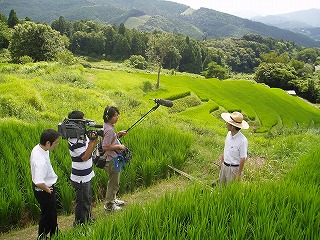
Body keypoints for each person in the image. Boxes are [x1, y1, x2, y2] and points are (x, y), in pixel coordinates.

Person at [67, 110, 99, 226]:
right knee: (82, 202)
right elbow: (85, 157)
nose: (83, 123)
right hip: (80, 177)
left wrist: (93, 141)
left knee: (87, 198)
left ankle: (88, 219)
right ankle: (80, 224)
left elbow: (89, 150)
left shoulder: (81, 135)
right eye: (82, 121)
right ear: (77, 122)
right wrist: (92, 143)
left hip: (87, 174)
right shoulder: (73, 140)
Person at [30, 129, 60, 239]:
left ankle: (54, 233)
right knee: (47, 215)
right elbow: (38, 182)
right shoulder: (40, 160)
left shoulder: (40, 148)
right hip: (43, 189)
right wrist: (47, 189)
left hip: (45, 187)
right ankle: (42, 236)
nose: (57, 145)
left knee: (51, 213)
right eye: (56, 142)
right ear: (48, 143)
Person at [101, 106, 127, 211]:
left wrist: (118, 135)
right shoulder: (109, 130)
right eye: (115, 115)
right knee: (113, 182)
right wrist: (119, 146)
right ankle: (109, 205)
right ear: (108, 117)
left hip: (111, 158)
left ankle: (113, 199)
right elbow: (105, 146)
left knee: (114, 181)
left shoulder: (107, 126)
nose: (117, 117)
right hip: (110, 160)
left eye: (117, 115)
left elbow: (110, 140)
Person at [218, 111, 249, 185]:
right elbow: (226, 149)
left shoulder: (242, 140)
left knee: (230, 191)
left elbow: (242, 158)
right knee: (221, 188)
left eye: (228, 123)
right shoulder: (229, 134)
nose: (226, 124)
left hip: (233, 169)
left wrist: (238, 174)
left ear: (232, 126)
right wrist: (221, 162)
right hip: (224, 166)